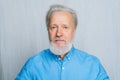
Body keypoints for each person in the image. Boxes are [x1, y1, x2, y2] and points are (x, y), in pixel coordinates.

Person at [15, 4, 109, 80]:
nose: (59, 33)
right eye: (53, 27)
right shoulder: (33, 64)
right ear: (48, 30)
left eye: (65, 27)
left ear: (74, 31)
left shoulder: (93, 65)